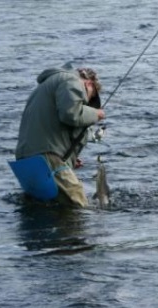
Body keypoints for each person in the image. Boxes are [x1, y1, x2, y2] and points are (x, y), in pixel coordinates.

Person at [15, 62, 105, 208]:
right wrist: (96, 114)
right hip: (45, 156)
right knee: (78, 203)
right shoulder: (72, 81)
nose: (87, 102)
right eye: (91, 97)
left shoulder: (48, 84)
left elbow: (50, 125)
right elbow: (71, 114)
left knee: (42, 207)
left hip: (26, 158)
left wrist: (67, 159)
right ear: (89, 84)